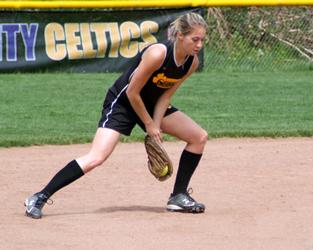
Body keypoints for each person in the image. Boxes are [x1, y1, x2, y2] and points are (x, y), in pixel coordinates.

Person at [24, 12, 208, 219]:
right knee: (97, 157)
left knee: (198, 137)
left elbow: (165, 97)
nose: (199, 45)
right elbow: (132, 92)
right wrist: (148, 123)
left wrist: (154, 129)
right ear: (180, 36)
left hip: (152, 104)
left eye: (202, 39)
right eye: (195, 39)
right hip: (122, 102)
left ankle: (178, 196)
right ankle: (39, 196)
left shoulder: (191, 63)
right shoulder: (158, 54)